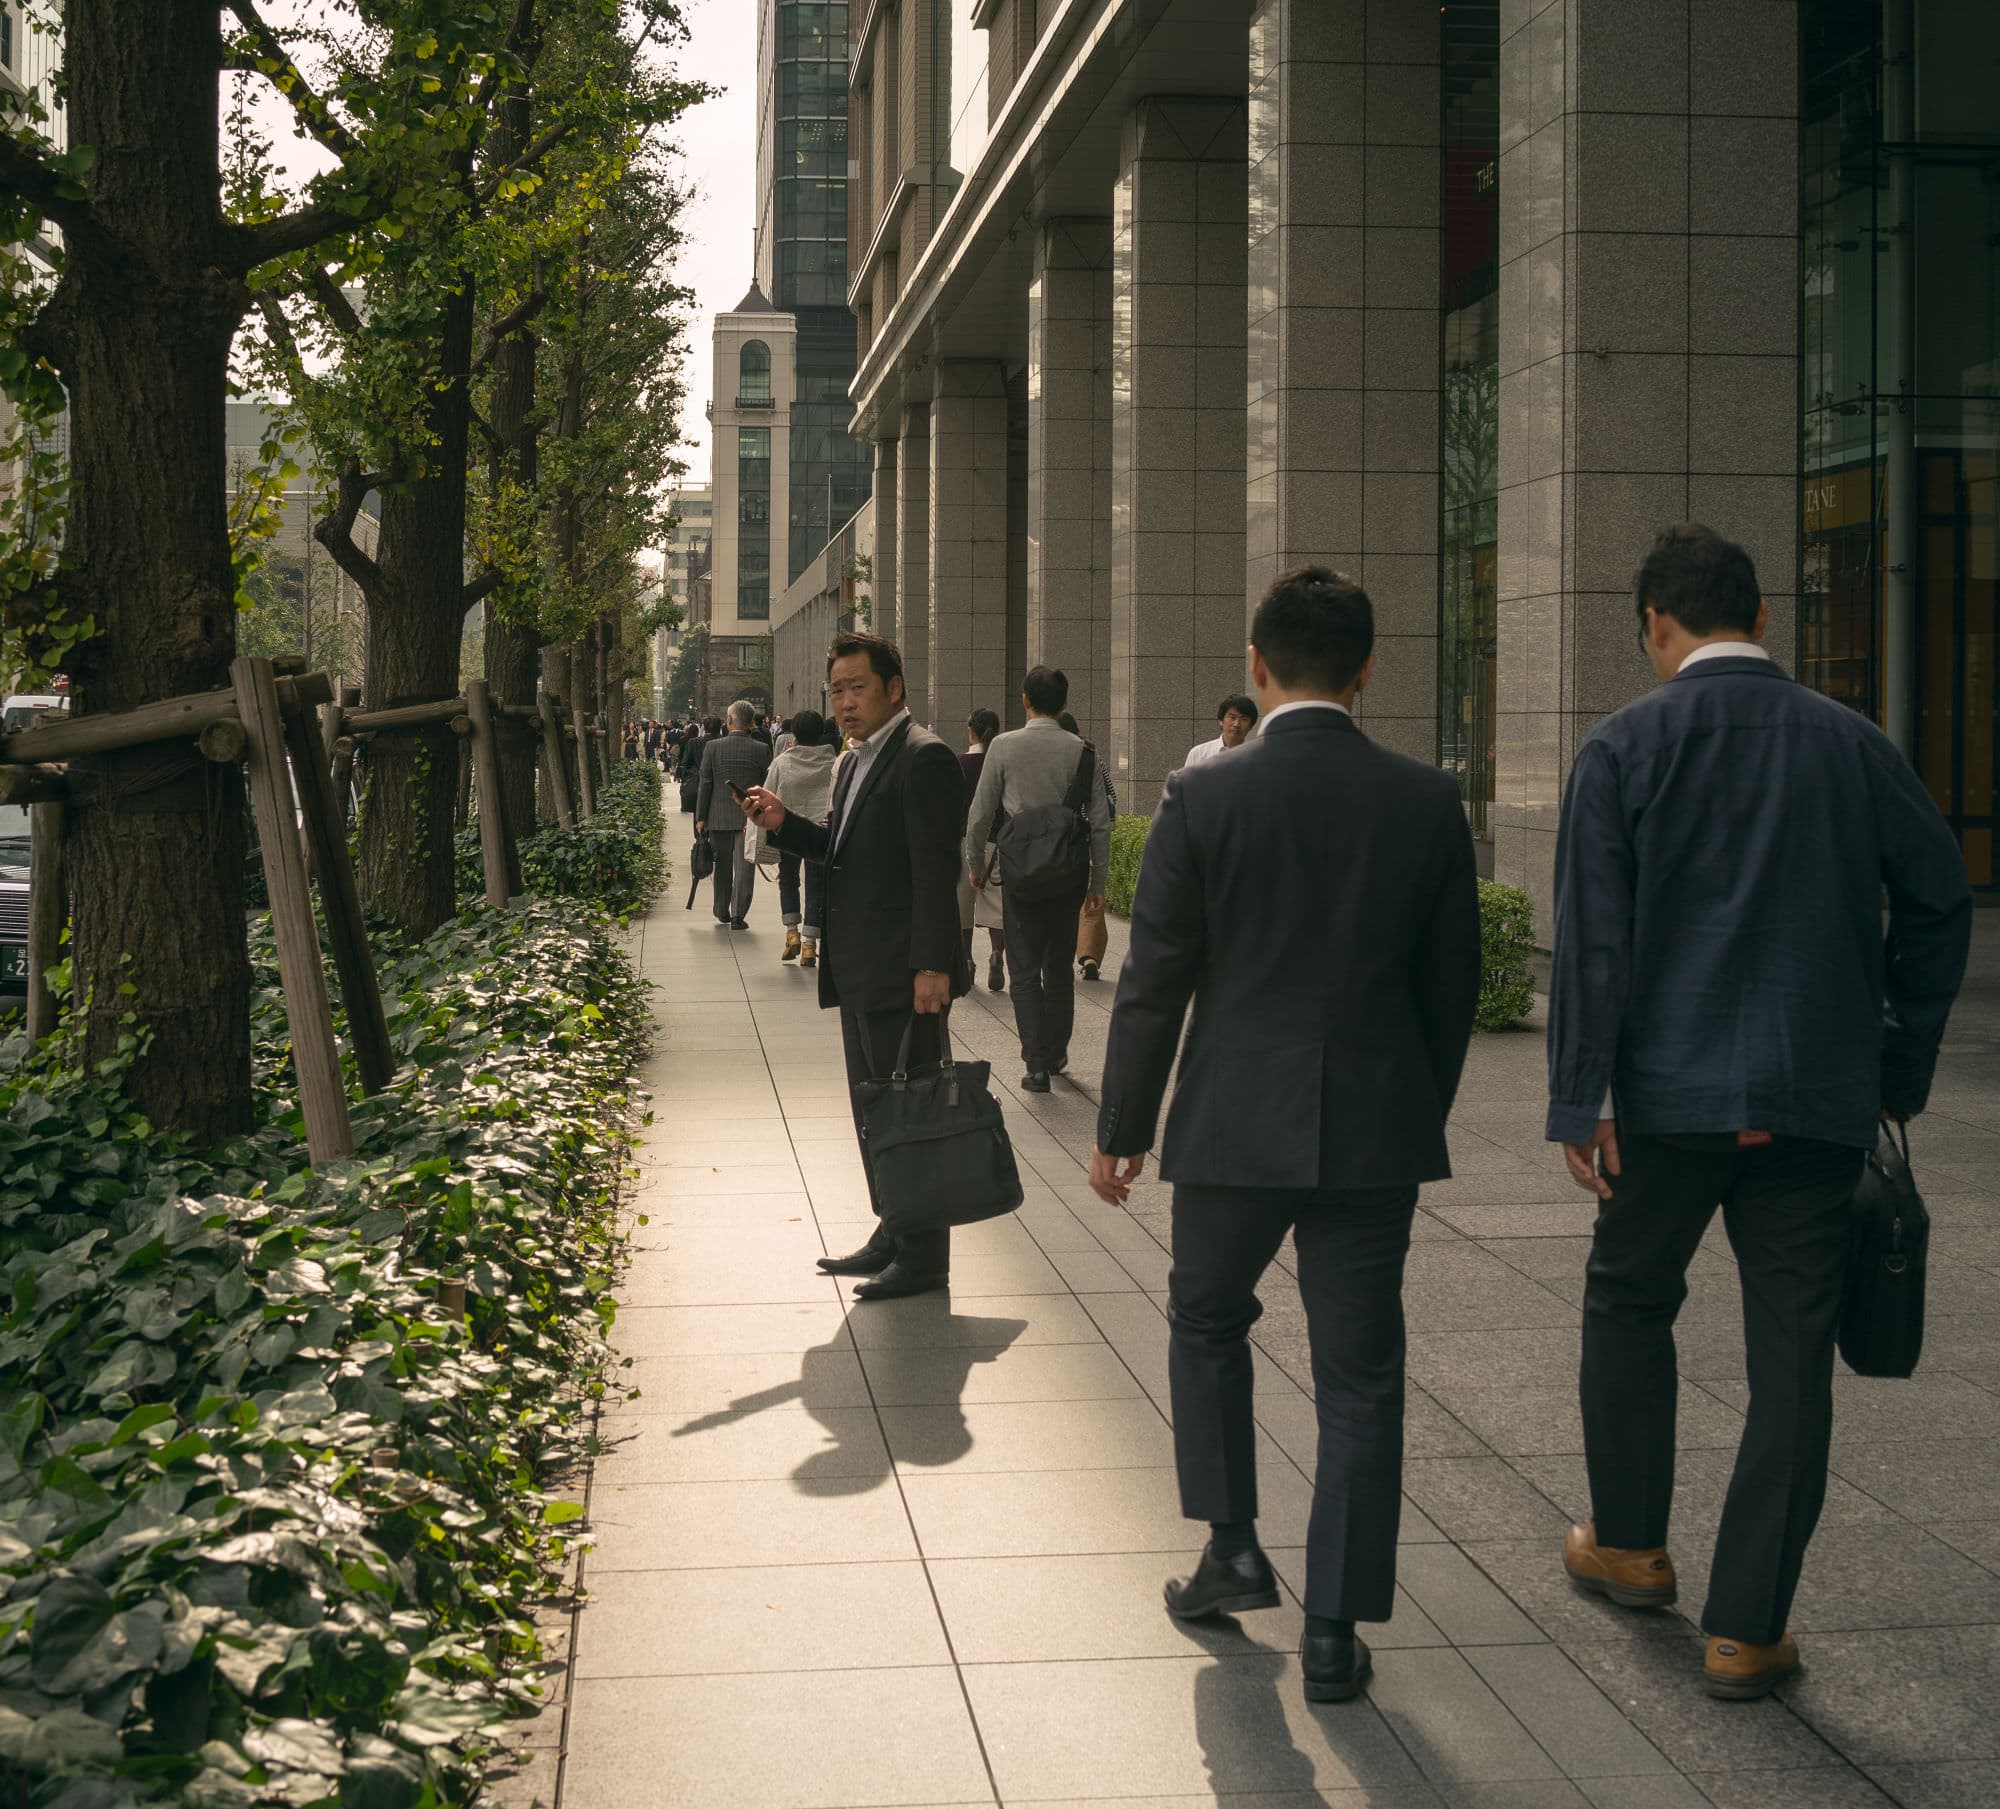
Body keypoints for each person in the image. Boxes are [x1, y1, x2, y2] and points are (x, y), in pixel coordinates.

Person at [1546, 523, 1971, 1702]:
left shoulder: (1623, 745)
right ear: (1762, 620)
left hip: (1665, 1105)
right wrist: (1896, 1061)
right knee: (1790, 1359)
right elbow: (1939, 902)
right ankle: (1744, 1631)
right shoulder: (1852, 744)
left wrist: (1582, 1095)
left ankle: (1629, 1547)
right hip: (1814, 1101)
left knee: (1628, 1300)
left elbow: (1591, 937)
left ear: (1653, 626)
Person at [1090, 567, 1479, 1706]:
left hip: (1229, 1125)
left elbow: (1152, 979)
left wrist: (1121, 1127)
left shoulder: (1200, 800)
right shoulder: (1425, 799)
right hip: (1371, 1129)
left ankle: (1230, 1547)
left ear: (1255, 668)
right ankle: (1332, 1629)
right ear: (1367, 667)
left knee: (1207, 1322)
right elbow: (1445, 990)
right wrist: (1412, 1103)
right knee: (1360, 1374)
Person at [742, 630, 969, 1301]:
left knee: (912, 1109)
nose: (844, 701)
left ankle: (924, 1255)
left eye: (856, 687)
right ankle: (893, 1230)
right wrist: (784, 822)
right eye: (836, 689)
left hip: (905, 969)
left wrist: (935, 964)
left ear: (893, 688)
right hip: (863, 965)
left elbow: (936, 870)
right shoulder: (855, 761)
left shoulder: (923, 757)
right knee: (876, 1106)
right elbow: (841, 850)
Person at [965, 667, 1110, 1093]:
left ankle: (1035, 1065)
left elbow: (980, 812)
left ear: (1025, 700)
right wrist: (1097, 884)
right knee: (1059, 966)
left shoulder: (1004, 747)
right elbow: (1100, 823)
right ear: (1064, 702)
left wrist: (975, 863)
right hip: (1068, 872)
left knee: (1024, 968)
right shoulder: (1084, 751)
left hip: (1020, 869)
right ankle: (1056, 1051)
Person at [766, 707, 836, 966]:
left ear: (793, 733)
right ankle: (809, 946)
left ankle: (792, 933)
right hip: (820, 832)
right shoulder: (833, 762)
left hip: (788, 831)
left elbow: (768, 795)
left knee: (788, 880)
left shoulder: (782, 762)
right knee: (816, 887)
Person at [695, 700, 772, 929]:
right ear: (750, 723)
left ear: (729, 721)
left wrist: (701, 817)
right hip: (749, 817)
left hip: (718, 816)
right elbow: (767, 784)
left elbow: (705, 783)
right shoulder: (761, 749)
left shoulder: (713, 748)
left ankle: (721, 910)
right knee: (745, 866)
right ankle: (739, 914)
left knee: (722, 865)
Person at [1059, 710, 1118, 982]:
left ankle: (1055, 955)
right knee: (1090, 901)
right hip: (1082, 837)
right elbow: (1109, 795)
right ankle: (1089, 956)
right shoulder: (1091, 756)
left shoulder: (1050, 757)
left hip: (1050, 839)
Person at [957, 708, 1007, 993]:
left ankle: (966, 959)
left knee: (964, 906)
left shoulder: (959, 763)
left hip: (964, 841)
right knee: (997, 905)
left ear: (970, 730)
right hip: (999, 843)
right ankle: (997, 954)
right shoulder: (1002, 764)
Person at [1182, 693, 1257, 768]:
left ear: (1251, 726)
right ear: (1221, 721)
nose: (1236, 724)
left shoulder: (1256, 758)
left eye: (1244, 719)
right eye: (1232, 718)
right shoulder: (1199, 754)